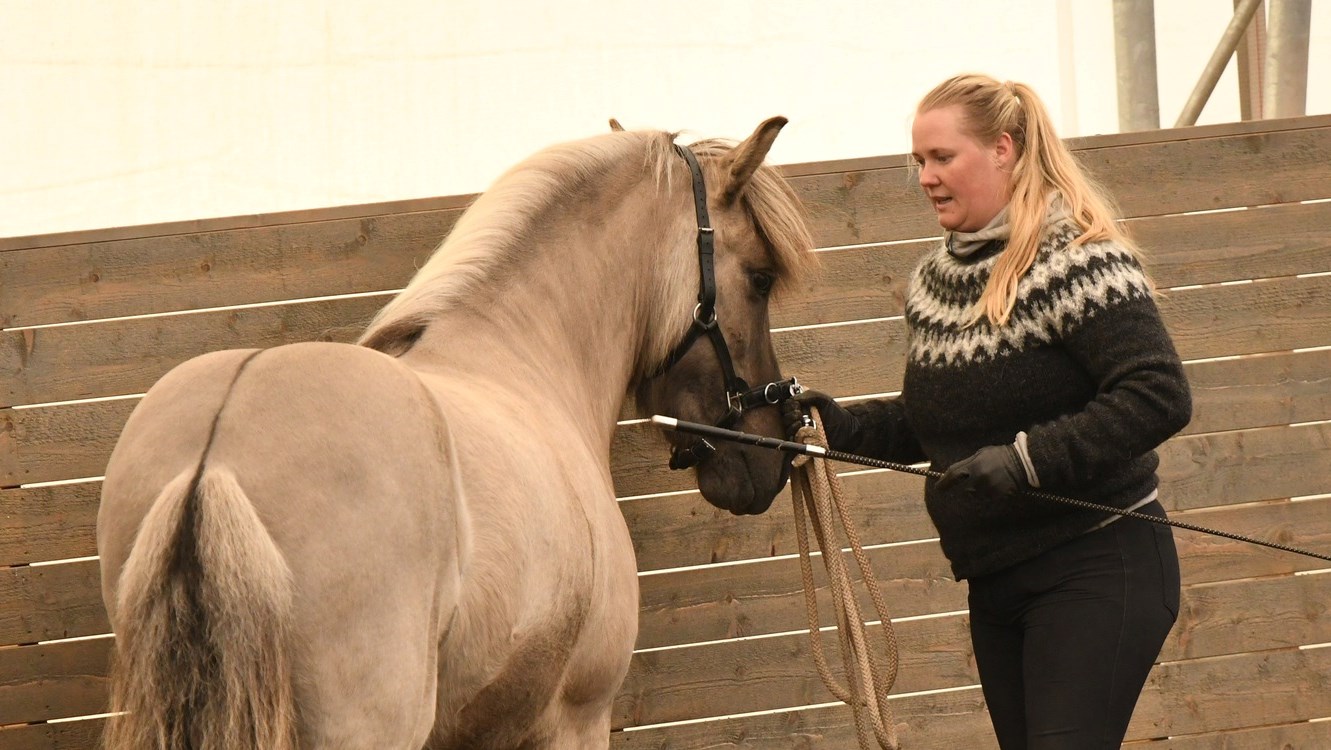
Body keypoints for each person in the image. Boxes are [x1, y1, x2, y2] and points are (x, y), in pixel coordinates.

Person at [788, 74, 1193, 749]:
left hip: (1100, 565)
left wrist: (1027, 461)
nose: (925, 177)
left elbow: (1157, 392)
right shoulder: (934, 284)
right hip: (997, 583)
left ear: (1001, 149)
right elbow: (934, 422)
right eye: (918, 161)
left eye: (942, 157)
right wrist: (830, 425)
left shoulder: (1077, 262)